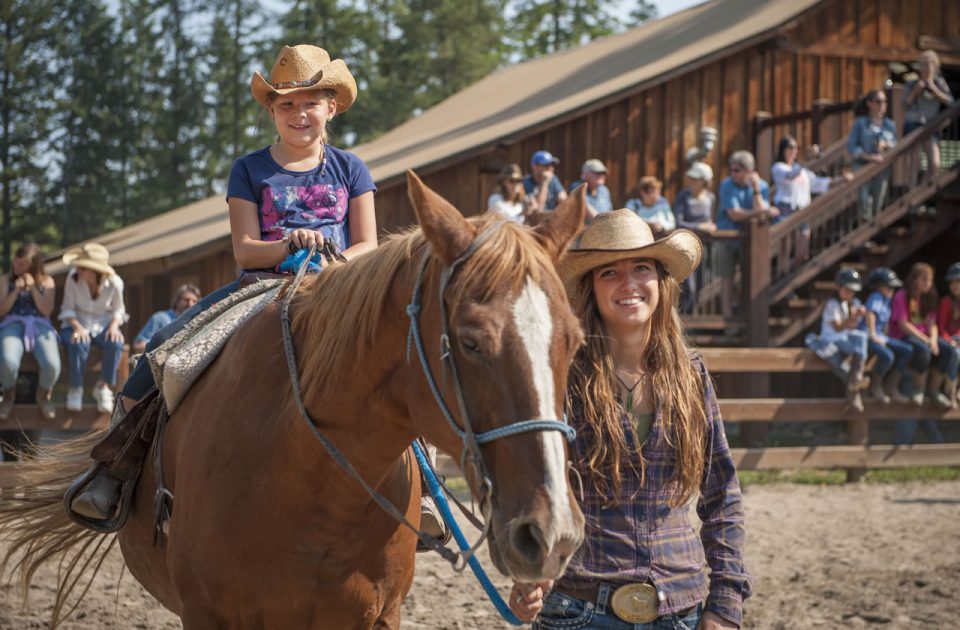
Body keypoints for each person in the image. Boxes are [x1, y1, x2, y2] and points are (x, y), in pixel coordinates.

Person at [69, 43, 381, 526]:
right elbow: (245, 250)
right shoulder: (249, 168)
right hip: (261, 286)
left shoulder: (351, 168)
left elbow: (369, 246)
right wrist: (288, 245)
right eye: (287, 104)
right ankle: (115, 467)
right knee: (164, 348)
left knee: (399, 356)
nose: (300, 114)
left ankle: (422, 486)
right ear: (272, 111)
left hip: (338, 290)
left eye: (311, 103)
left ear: (331, 107)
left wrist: (330, 255)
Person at [509, 209, 751, 630]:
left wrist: (726, 601)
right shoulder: (561, 375)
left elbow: (722, 493)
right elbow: (533, 485)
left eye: (642, 268)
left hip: (683, 609)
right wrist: (529, 570)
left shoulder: (692, 375)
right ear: (591, 289)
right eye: (610, 273)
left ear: (661, 281)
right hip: (578, 607)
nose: (629, 284)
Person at [58, 243, 127, 415]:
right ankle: (75, 388)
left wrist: (113, 326)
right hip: (74, 323)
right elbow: (67, 309)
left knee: (116, 342)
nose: (78, 269)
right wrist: (77, 327)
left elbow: (119, 310)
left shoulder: (115, 283)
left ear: (95, 271)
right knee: (77, 342)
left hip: (102, 325)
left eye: (83, 266)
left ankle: (103, 387)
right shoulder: (72, 278)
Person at [770, 135, 852, 267]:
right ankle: (784, 275)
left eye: (796, 148)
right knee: (785, 250)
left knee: (802, 253)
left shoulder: (803, 172)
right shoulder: (778, 168)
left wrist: (841, 179)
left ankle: (790, 275)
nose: (793, 151)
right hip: (786, 210)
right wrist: (808, 159)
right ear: (783, 150)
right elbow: (790, 176)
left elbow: (819, 184)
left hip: (802, 212)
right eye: (790, 148)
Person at [0, 243, 60, 420]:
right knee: (7, 361)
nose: (17, 267)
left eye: (22, 264)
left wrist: (33, 288)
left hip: (40, 326)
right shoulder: (5, 280)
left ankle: (43, 395)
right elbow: (2, 311)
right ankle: (9, 395)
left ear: (33, 265)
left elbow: (47, 310)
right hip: (12, 325)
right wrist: (16, 291)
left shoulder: (46, 281)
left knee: (52, 365)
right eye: (16, 262)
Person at [715, 150, 777, 318]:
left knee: (748, 279)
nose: (732, 174)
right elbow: (734, 214)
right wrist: (759, 212)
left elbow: (762, 213)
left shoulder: (762, 186)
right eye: (731, 170)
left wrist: (756, 190)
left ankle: (745, 316)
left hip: (750, 241)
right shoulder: (727, 184)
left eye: (737, 170)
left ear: (749, 171)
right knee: (726, 279)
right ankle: (728, 319)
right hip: (726, 238)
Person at [888, 262, 958, 409]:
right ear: (914, 279)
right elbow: (903, 324)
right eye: (924, 279)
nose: (928, 283)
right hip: (904, 335)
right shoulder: (902, 295)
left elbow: (932, 324)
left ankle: (934, 389)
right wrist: (925, 340)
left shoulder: (929, 297)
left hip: (925, 336)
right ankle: (919, 389)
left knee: (949, 351)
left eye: (930, 280)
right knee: (923, 350)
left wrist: (932, 340)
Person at [814, 268, 871, 412]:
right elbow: (838, 327)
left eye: (853, 291)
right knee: (854, 354)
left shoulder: (847, 303)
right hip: (831, 339)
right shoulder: (832, 304)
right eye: (847, 290)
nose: (850, 294)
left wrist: (857, 316)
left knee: (862, 336)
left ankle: (856, 379)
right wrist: (852, 318)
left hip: (843, 338)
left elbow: (852, 326)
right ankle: (856, 380)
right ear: (839, 287)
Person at [860, 267, 912, 404]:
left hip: (880, 336)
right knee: (887, 356)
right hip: (868, 335)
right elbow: (870, 315)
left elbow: (885, 324)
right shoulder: (876, 297)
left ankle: (891, 384)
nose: (891, 289)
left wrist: (885, 337)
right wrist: (873, 335)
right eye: (888, 286)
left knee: (907, 350)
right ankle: (876, 385)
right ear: (878, 286)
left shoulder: (887, 301)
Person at [903, 50, 955, 176]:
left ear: (935, 66)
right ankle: (913, 191)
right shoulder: (912, 83)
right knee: (915, 163)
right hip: (913, 124)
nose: (925, 68)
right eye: (922, 65)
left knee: (935, 163)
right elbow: (904, 105)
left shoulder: (939, 83)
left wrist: (934, 90)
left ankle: (926, 188)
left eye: (928, 64)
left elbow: (951, 102)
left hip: (931, 125)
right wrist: (915, 92)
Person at [847, 90, 897, 219]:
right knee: (864, 200)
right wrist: (869, 157)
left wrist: (886, 145)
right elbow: (852, 146)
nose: (882, 105)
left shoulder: (890, 125)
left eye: (884, 102)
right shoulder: (860, 123)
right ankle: (863, 234)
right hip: (862, 166)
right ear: (869, 103)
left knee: (878, 200)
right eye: (878, 101)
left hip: (881, 168)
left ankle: (873, 232)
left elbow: (896, 145)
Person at [674, 161, 716, 314]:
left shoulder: (711, 197)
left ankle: (695, 317)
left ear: (704, 181)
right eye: (690, 177)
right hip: (687, 246)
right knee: (687, 286)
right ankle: (685, 318)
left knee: (702, 284)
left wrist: (710, 227)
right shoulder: (683, 196)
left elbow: (712, 222)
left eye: (695, 178)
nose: (691, 181)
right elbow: (678, 223)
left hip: (706, 247)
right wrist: (700, 227)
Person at [131, 283, 201, 354]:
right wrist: (163, 347)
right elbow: (138, 345)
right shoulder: (160, 318)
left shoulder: (196, 322)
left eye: (194, 301)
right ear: (177, 301)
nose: (190, 304)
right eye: (186, 300)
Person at [936, 262, 960, 408]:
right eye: (953, 282)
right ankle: (949, 390)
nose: (955, 285)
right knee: (956, 354)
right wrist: (950, 340)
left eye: (959, 282)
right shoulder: (946, 302)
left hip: (958, 339)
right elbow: (941, 327)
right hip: (947, 339)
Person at [523, 150, 567, 217]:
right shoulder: (526, 183)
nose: (550, 168)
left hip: (551, 220)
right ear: (534, 166)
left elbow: (564, 200)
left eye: (551, 165)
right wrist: (544, 183)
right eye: (546, 165)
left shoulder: (553, 179)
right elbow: (538, 210)